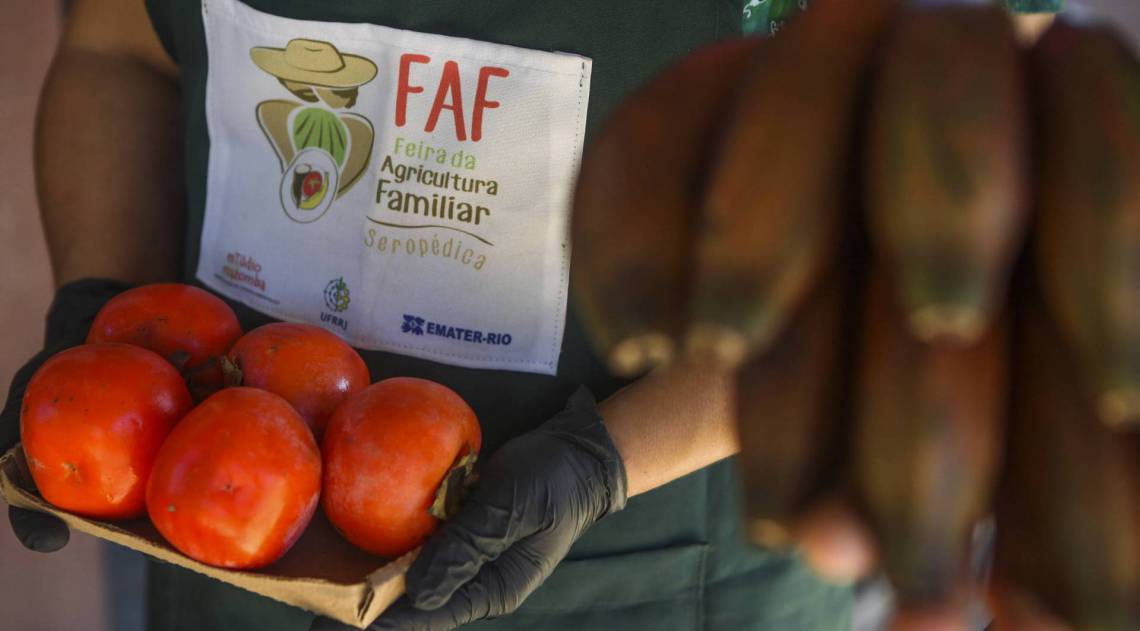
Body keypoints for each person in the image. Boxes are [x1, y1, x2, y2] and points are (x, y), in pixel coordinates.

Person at [0, 1, 1067, 630]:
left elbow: (960, 176)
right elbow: (118, 48)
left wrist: (614, 457)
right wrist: (106, 319)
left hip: (664, 572)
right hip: (230, 553)